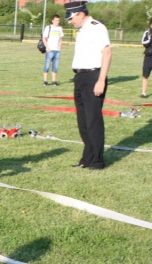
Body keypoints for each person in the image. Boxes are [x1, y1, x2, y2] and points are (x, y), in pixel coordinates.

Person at [65, 1, 111, 170]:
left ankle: (97, 161)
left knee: (93, 120)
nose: (70, 21)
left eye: (71, 18)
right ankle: (87, 158)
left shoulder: (97, 28)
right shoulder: (81, 31)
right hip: (80, 76)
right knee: (83, 121)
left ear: (81, 14)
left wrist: (101, 79)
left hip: (93, 76)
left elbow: (107, 53)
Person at [42, 14, 64, 86]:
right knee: (47, 65)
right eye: (56, 20)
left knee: (55, 66)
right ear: (52, 21)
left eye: (58, 20)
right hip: (49, 50)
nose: (57, 22)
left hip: (57, 50)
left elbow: (60, 39)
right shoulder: (48, 27)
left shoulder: (60, 28)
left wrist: (59, 49)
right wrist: (47, 48)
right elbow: (44, 38)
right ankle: (45, 81)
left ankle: (54, 81)